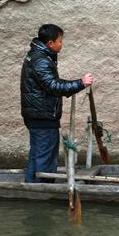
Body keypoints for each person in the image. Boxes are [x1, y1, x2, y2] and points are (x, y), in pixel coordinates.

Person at [20, 24, 94, 183]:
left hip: (37, 115)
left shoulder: (37, 55)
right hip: (42, 117)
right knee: (45, 156)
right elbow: (53, 86)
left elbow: (50, 83)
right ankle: (42, 191)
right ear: (50, 44)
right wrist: (80, 83)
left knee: (37, 153)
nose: (62, 44)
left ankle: (31, 186)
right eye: (60, 41)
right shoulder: (41, 61)